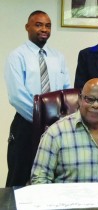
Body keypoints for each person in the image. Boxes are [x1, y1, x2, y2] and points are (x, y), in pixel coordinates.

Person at [31, 78, 98, 184]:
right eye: (89, 99)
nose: (95, 105)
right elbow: (40, 178)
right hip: (69, 201)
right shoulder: (56, 133)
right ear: (80, 100)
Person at [4, 10, 71, 187]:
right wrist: (42, 121)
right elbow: (17, 96)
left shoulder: (58, 57)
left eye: (48, 26)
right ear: (27, 27)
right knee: (19, 178)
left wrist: (58, 122)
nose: (44, 29)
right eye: (38, 24)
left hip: (56, 127)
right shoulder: (17, 56)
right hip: (27, 125)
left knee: (51, 177)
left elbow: (66, 91)